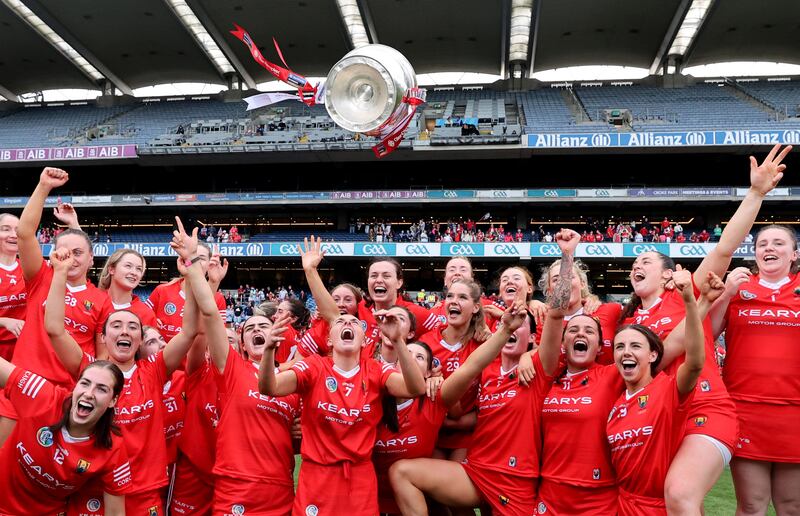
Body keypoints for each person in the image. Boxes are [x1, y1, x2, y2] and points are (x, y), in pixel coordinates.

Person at [618, 144, 791, 513]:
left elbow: (725, 248)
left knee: (681, 495)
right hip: (655, 420)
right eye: (634, 261)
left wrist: (756, 193)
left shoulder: (685, 295)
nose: (637, 264)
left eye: (645, 259)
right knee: (651, 501)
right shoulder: (626, 326)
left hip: (704, 408)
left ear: (668, 272)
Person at [45, 232, 198, 515]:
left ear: (140, 341)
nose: (125, 330)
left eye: (132, 327)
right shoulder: (90, 370)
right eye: (116, 325)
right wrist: (60, 273)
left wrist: (193, 268)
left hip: (144, 492)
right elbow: (54, 329)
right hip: (92, 488)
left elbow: (189, 330)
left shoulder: (154, 370)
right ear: (103, 337)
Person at [174, 219, 300, 516]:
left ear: (277, 335)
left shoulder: (292, 378)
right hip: (237, 486)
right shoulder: (231, 369)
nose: (258, 329)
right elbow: (209, 313)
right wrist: (195, 264)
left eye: (264, 326)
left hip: (281, 487)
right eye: (250, 328)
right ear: (241, 343)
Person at [258, 306, 426, 514]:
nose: (347, 323)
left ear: (364, 341)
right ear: (329, 340)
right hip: (317, 476)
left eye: (355, 322)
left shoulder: (374, 369)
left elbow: (416, 388)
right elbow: (269, 387)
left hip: (359, 478)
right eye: (340, 322)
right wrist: (268, 350)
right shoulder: (314, 366)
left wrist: (398, 340)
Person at [389, 291, 541, 516]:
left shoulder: (520, 363)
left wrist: (525, 351)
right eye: (450, 295)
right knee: (405, 475)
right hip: (474, 468)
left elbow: (469, 372)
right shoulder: (382, 376)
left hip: (510, 474)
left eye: (419, 357)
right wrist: (434, 379)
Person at [0, 168, 112, 445]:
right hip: (22, 385)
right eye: (64, 251)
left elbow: (101, 359)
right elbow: (26, 233)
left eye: (78, 254)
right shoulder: (40, 278)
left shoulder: (101, 300)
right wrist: (43, 186)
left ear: (91, 259)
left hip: (65, 396)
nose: (71, 259)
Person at [608, 266, 721, 515]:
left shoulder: (669, 390)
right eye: (620, 347)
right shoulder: (614, 405)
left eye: (635, 345)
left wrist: (692, 301)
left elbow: (694, 362)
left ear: (653, 355)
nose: (626, 352)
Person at [709, 225, 800, 515]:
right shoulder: (739, 288)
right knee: (751, 505)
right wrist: (725, 294)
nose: (769, 248)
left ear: (794, 254)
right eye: (762, 244)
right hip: (746, 410)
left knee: (792, 506)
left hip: (795, 412)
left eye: (778, 243)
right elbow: (707, 332)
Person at [0, 357, 131, 515]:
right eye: (85, 383)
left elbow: (116, 513)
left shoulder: (113, 448)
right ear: (75, 386)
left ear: (113, 401)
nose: (89, 394)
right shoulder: (43, 397)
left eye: (101, 389)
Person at [98, 248, 156, 327]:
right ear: (111, 269)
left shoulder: (146, 314)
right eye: (128, 266)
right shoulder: (92, 303)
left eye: (139, 269)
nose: (134, 272)